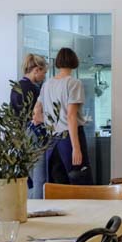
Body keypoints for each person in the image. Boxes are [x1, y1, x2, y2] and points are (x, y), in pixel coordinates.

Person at [34, 47, 91, 185]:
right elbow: (71, 116)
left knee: (57, 187)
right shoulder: (74, 83)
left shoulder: (46, 85)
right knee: (80, 184)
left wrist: (51, 121)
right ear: (74, 61)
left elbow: (36, 113)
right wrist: (76, 148)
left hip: (51, 142)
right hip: (69, 139)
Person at [14, 54, 49, 198]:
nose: (44, 76)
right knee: (39, 176)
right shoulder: (32, 89)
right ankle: (39, 207)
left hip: (21, 134)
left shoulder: (17, 86)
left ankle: (29, 206)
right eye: (44, 72)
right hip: (34, 133)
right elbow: (36, 116)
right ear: (36, 70)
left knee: (29, 177)